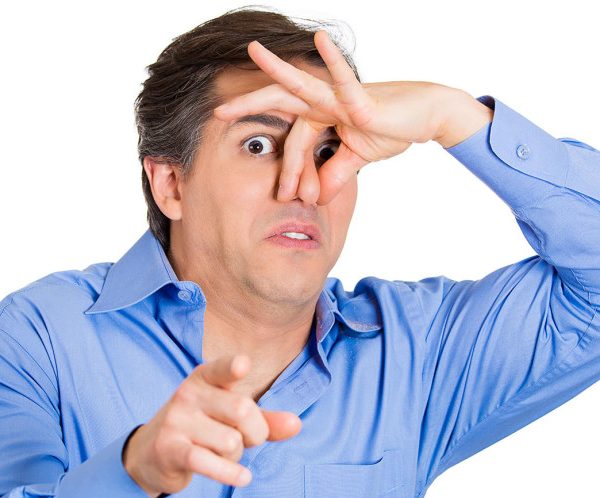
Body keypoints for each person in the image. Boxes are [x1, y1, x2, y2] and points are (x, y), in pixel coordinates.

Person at [1, 6, 599, 498]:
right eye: (259, 144)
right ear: (171, 185)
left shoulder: (421, 352)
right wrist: (133, 472)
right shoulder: (38, 337)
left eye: (328, 150)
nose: (305, 186)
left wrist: (453, 114)